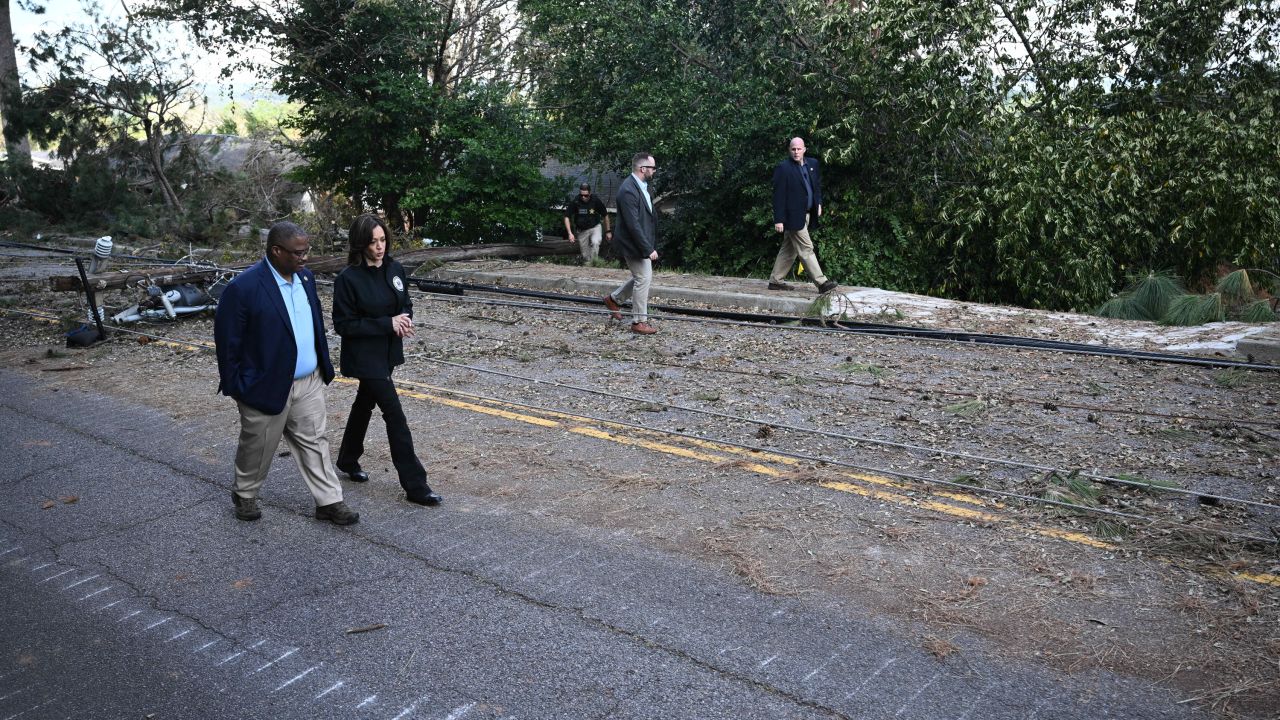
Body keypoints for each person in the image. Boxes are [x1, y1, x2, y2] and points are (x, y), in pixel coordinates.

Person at [214, 221, 359, 525]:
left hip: (308, 381)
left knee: (315, 441)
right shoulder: (244, 288)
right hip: (263, 385)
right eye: (298, 252)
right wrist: (238, 386)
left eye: (307, 251)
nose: (305, 258)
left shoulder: (305, 278)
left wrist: (322, 366)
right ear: (276, 251)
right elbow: (228, 343)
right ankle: (245, 494)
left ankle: (329, 501)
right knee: (259, 445)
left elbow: (314, 323)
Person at [331, 214, 442, 506]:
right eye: (373, 242)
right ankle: (416, 485)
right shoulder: (348, 279)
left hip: (388, 352)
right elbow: (344, 325)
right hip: (365, 356)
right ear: (360, 244)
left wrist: (404, 320)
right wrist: (387, 324)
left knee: (364, 404)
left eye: (382, 240)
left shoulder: (394, 268)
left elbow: (404, 302)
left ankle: (347, 459)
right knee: (395, 415)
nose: (379, 247)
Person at [769, 136, 838, 294]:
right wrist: (779, 219)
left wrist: (818, 203)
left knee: (789, 249)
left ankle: (775, 281)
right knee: (806, 248)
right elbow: (778, 196)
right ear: (789, 150)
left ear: (804, 149)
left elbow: (816, 186)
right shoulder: (783, 168)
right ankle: (821, 283)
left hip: (807, 214)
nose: (796, 152)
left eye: (799, 149)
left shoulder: (813, 164)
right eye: (793, 149)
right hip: (792, 217)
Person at [602, 152, 659, 335]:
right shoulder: (628, 190)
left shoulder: (642, 186)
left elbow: (646, 217)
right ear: (643, 169)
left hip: (640, 241)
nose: (654, 171)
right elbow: (633, 225)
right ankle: (639, 321)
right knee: (643, 278)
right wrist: (647, 248)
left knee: (641, 277)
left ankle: (614, 299)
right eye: (653, 168)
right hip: (632, 244)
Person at [564, 183, 612, 265]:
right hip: (582, 230)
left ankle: (594, 264)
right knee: (585, 255)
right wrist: (570, 233)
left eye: (585, 195)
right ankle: (588, 265)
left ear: (589, 193)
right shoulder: (575, 201)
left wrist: (608, 231)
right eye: (581, 195)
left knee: (595, 242)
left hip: (595, 227)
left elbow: (605, 215)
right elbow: (566, 217)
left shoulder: (595, 201)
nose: (583, 197)